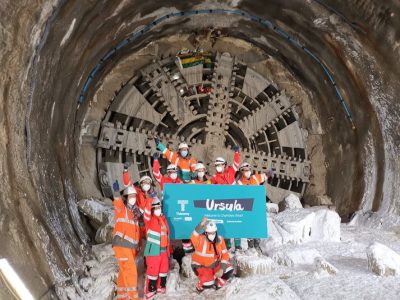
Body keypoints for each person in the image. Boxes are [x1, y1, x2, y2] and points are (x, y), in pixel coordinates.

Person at [111, 180, 142, 300]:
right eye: (130, 196)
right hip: (122, 245)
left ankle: (122, 297)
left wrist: (138, 246)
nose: (133, 198)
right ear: (126, 198)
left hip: (130, 248)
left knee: (124, 273)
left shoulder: (135, 214)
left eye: (134, 196)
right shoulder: (122, 210)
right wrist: (116, 192)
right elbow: (117, 201)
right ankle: (134, 298)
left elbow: (136, 233)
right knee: (130, 272)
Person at [191, 216, 234, 292]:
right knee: (208, 284)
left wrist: (221, 269)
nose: (212, 234)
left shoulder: (220, 239)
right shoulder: (200, 239)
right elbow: (194, 235)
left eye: (213, 232)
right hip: (201, 266)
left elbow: (225, 255)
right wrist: (201, 224)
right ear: (205, 232)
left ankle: (217, 282)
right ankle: (200, 285)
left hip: (214, 264)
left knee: (228, 269)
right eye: (210, 233)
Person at [236, 162, 273, 249]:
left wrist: (270, 171)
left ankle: (257, 246)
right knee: (250, 227)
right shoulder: (239, 183)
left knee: (257, 227)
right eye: (245, 170)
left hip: (256, 207)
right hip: (247, 208)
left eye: (248, 170)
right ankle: (250, 247)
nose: (247, 171)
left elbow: (265, 176)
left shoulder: (255, 178)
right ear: (241, 171)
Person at [210, 145, 241, 250]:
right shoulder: (215, 177)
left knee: (236, 223)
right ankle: (227, 245)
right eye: (216, 165)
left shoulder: (230, 172)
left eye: (220, 165)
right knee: (226, 224)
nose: (218, 167)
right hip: (224, 204)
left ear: (224, 165)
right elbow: (209, 188)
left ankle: (237, 245)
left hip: (235, 202)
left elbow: (236, 164)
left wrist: (236, 152)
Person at [143, 193, 171, 299]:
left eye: (160, 207)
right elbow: (146, 212)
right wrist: (150, 199)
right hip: (154, 251)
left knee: (163, 271)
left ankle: (160, 289)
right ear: (152, 209)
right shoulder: (149, 220)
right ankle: (150, 292)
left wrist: (168, 250)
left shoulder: (164, 220)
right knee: (153, 272)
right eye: (156, 208)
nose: (159, 209)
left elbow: (167, 236)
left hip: (164, 251)